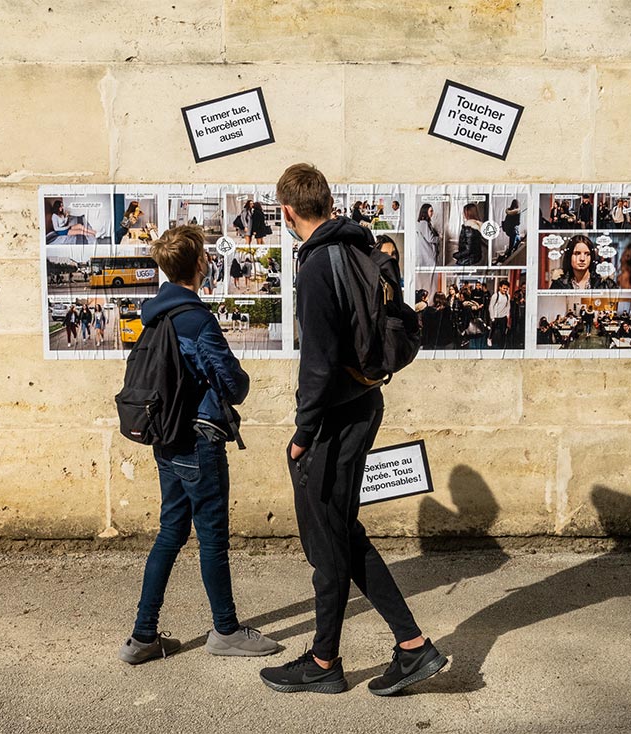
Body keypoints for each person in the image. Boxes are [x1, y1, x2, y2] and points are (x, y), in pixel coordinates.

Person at [260, 163, 446, 696]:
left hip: (335, 418)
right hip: (364, 402)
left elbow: (317, 361)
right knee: (340, 532)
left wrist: (302, 432)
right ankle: (401, 648)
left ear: (288, 211)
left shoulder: (318, 264)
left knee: (327, 540)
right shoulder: (361, 249)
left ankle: (329, 663)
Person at [119, 224, 280, 666]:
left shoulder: (154, 317)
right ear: (200, 265)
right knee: (212, 540)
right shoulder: (196, 319)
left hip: (166, 440)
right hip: (199, 440)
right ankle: (226, 631)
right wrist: (236, 378)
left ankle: (142, 637)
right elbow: (233, 383)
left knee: (170, 533)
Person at [549, 234, 618, 290]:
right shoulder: (559, 285)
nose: (582, 258)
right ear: (569, 256)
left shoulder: (604, 283)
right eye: (577, 253)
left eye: (587, 254)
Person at [488, 280, 511, 349]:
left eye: (507, 289)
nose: (505, 290)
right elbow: (491, 306)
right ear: (500, 287)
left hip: (503, 317)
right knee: (493, 330)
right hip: (495, 316)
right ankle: (489, 339)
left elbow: (508, 306)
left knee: (503, 332)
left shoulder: (508, 296)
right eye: (504, 288)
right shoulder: (495, 296)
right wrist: (492, 317)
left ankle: (502, 345)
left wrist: (507, 314)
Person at [416, 203, 439, 268]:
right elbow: (430, 239)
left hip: (426, 252)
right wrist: (439, 238)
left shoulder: (423, 223)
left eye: (432, 211)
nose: (432, 213)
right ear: (425, 212)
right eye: (431, 211)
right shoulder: (424, 223)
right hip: (427, 253)